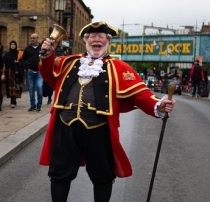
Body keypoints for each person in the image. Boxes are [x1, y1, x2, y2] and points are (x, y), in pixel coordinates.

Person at [38, 21, 176, 202]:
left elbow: (140, 94)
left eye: (101, 36)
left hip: (99, 129)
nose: (96, 40)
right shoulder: (68, 62)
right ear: (86, 40)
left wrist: (158, 105)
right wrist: (48, 55)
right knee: (59, 174)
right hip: (66, 127)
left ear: (108, 41)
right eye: (92, 36)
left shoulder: (119, 67)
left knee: (102, 177)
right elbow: (48, 74)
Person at [21, 33, 43, 112]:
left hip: (39, 72)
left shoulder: (41, 48)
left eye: (34, 38)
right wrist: (27, 68)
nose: (32, 40)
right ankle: (32, 105)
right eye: (31, 38)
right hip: (30, 71)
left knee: (40, 87)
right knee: (31, 89)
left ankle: (39, 105)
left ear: (37, 38)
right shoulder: (27, 48)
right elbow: (23, 60)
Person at [2, 40, 24, 108]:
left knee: (16, 87)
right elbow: (4, 64)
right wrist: (3, 73)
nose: (13, 45)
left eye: (14, 44)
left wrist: (18, 62)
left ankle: (13, 100)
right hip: (9, 72)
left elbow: (23, 63)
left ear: (16, 45)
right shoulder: (7, 54)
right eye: (11, 44)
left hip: (16, 73)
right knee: (10, 87)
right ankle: (12, 101)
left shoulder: (19, 53)